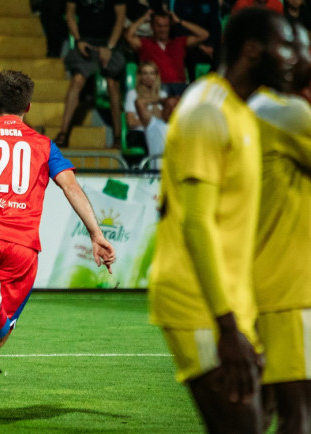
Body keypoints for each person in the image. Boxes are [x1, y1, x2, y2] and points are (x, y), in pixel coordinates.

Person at [0, 70, 116, 426]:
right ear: (29, 107)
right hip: (20, 246)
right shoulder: (44, 145)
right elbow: (72, 188)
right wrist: (96, 233)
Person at [147, 8, 297, 433]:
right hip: (198, 306)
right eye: (283, 47)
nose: (291, 59)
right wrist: (228, 327)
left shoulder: (241, 112)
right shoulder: (206, 112)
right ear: (252, 49)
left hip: (230, 305)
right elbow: (197, 223)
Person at [248, 23, 311, 434]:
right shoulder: (288, 115)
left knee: (264, 410)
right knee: (300, 414)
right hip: (288, 289)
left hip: (259, 283)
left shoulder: (254, 109)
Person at [55, 0, 126, 147]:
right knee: (78, 79)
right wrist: (79, 40)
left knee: (113, 84)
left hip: (110, 42)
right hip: (86, 42)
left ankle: (118, 136)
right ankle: (63, 133)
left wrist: (109, 47)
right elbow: (70, 15)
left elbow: (120, 19)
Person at [125, 9, 210, 96]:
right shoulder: (145, 43)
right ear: (152, 26)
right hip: (156, 88)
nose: (163, 29)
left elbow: (204, 35)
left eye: (165, 26)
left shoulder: (179, 42)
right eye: (159, 26)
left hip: (179, 88)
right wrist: (144, 18)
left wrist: (179, 21)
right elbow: (128, 36)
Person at [124, 61, 167, 152]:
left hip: (158, 133)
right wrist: (151, 120)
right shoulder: (132, 94)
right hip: (139, 133)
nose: (149, 77)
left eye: (152, 73)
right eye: (145, 73)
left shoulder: (162, 95)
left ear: (156, 76)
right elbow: (131, 122)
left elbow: (163, 119)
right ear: (140, 77)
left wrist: (154, 94)